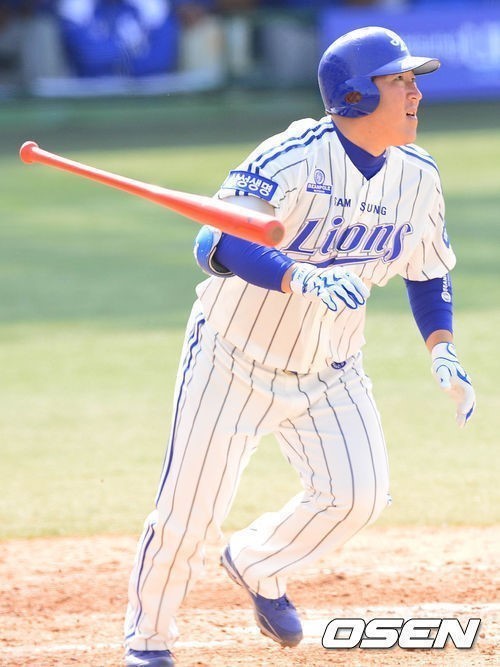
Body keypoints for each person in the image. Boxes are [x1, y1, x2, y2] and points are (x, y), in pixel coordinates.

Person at [123, 26, 476, 667]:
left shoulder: (418, 178)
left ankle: (257, 562)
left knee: (358, 496)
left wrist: (442, 349)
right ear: (354, 95)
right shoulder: (291, 158)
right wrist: (298, 275)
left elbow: (428, 271)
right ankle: (148, 643)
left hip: (330, 369)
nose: (416, 93)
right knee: (188, 512)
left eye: (414, 80)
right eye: (399, 80)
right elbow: (215, 243)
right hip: (231, 359)